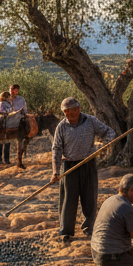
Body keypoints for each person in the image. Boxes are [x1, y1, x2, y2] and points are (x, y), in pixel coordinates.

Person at [51, 97, 116, 243]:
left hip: (88, 164)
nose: (68, 114)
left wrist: (106, 145)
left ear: (78, 109)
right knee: (68, 200)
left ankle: (89, 228)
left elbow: (108, 132)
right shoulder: (61, 127)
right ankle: (66, 232)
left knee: (90, 198)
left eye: (71, 111)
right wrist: (55, 171)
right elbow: (56, 149)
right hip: (69, 166)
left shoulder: (91, 121)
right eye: (65, 112)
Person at [0, 92, 14, 166]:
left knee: (7, 142)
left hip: (8, 123)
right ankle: (0, 159)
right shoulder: (1, 104)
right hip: (1, 124)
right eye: (8, 96)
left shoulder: (9, 103)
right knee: (1, 142)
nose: (10, 97)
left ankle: (7, 159)